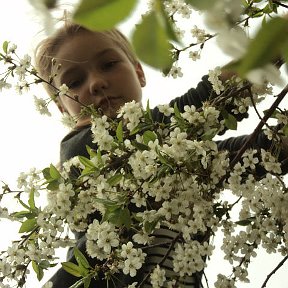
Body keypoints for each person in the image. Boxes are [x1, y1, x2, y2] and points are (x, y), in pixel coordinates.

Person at [35, 21, 287, 287]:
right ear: (63, 108)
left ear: (139, 73)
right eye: (74, 82)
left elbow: (234, 158)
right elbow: (204, 105)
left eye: (108, 65)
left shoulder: (167, 159)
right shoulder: (80, 153)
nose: (96, 83)